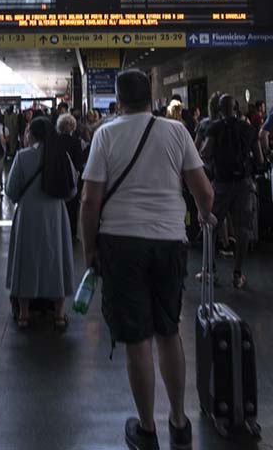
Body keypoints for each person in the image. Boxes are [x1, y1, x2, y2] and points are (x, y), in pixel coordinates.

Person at [80, 70, 214, 450]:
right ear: (151, 97)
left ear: (118, 101)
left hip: (121, 244)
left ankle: (146, 428)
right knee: (169, 331)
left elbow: (90, 200)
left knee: (137, 339)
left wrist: (89, 248)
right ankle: (179, 420)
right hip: (168, 242)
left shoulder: (106, 134)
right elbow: (203, 191)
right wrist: (203, 217)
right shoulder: (176, 132)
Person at [6, 117, 76, 329]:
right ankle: (60, 314)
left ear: (33, 134)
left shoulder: (22, 156)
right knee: (57, 260)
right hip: (55, 215)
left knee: (26, 259)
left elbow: (11, 189)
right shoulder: (61, 156)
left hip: (28, 215)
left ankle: (24, 315)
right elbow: (72, 189)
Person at [199, 94, 264, 289]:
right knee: (242, 229)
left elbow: (205, 152)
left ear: (219, 110)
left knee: (211, 226)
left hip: (221, 184)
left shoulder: (215, 127)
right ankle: (237, 275)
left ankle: (210, 271)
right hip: (244, 185)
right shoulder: (248, 128)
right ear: (236, 108)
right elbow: (260, 160)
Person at [56, 113, 84, 240]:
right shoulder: (76, 141)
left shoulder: (55, 141)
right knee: (72, 206)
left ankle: (59, 231)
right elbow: (79, 161)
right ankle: (72, 233)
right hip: (73, 177)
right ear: (73, 126)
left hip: (58, 176)